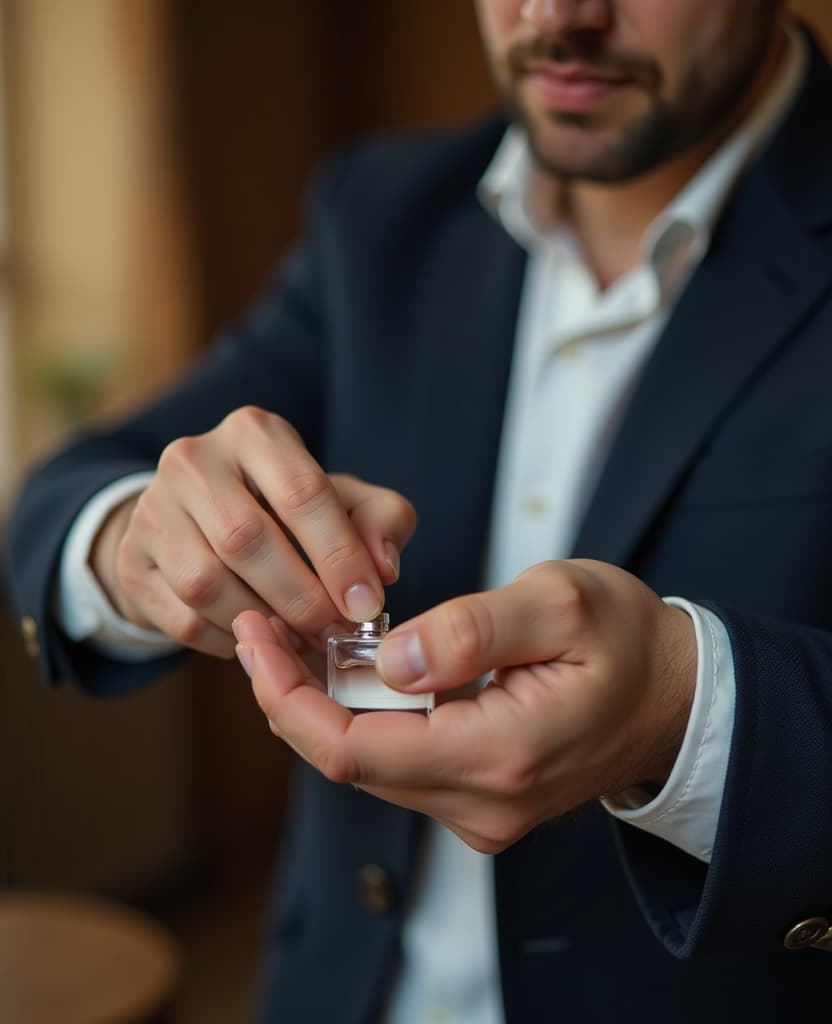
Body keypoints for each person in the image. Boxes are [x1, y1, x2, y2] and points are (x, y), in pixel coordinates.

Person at [5, 0, 832, 1019]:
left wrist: (682, 712)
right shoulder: (379, 208)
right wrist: (142, 544)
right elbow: (72, 490)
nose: (559, 15)